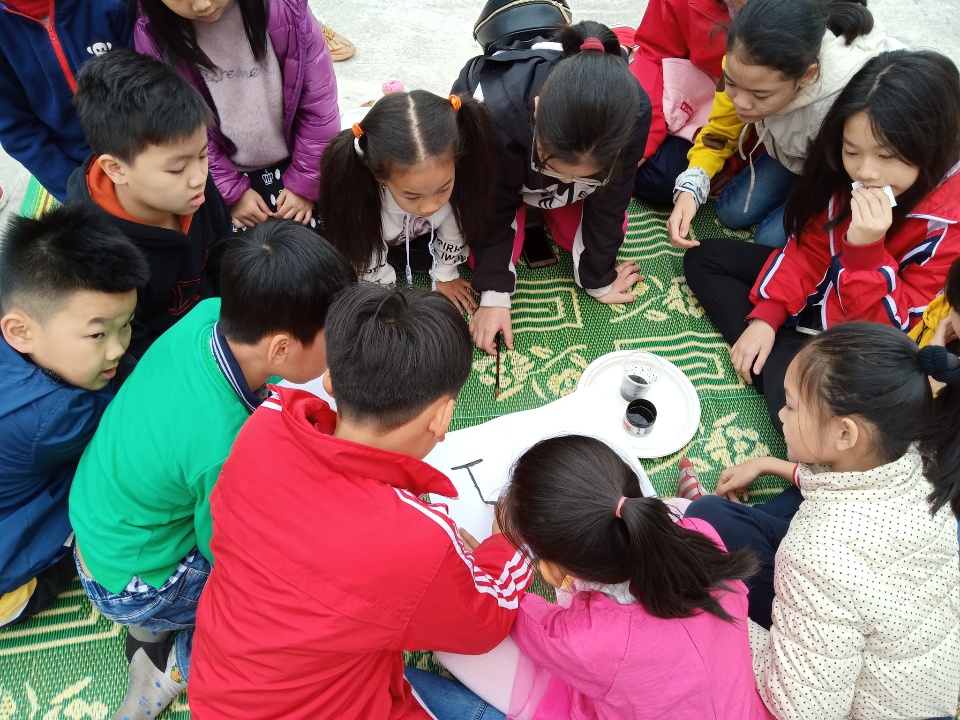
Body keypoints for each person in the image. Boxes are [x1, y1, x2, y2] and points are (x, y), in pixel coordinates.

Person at [187, 284, 534, 720]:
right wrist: (508, 546)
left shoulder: (264, 426)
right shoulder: (417, 539)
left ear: (330, 380)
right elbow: (485, 624)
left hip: (219, 689)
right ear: (442, 418)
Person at [69, 221, 355, 720]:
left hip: (103, 529)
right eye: (334, 340)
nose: (342, 349)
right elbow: (225, 548)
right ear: (281, 349)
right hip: (135, 583)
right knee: (293, 594)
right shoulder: (224, 445)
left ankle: (152, 626)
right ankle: (174, 664)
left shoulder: (210, 315)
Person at [681, 322, 960, 718]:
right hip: (893, 635)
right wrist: (768, 463)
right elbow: (839, 488)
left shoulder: (815, 552)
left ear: (845, 434)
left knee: (697, 591)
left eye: (792, 406)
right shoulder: (919, 458)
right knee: (707, 519)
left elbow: (804, 710)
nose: (781, 413)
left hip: (858, 699)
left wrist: (721, 614)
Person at [683, 50, 960, 429]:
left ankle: (791, 372)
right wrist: (767, 316)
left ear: (930, 147)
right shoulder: (851, 176)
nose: (866, 171)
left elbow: (897, 330)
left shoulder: (948, 227)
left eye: (887, 156)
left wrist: (866, 253)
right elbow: (811, 246)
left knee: (804, 426)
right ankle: (784, 360)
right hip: (821, 293)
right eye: (852, 151)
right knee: (704, 258)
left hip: (864, 341)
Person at [427, 435, 773, 720]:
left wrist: (497, 553)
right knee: (680, 508)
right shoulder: (700, 532)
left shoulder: (582, 638)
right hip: (743, 710)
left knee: (450, 647)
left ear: (550, 570)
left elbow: (512, 609)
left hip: (617, 679)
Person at [453, 20, 651, 355]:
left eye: (585, 175)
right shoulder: (494, 112)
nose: (564, 184)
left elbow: (614, 195)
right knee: (479, 260)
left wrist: (598, 280)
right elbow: (490, 201)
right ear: (536, 110)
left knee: (596, 241)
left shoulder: (635, 112)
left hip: (534, 169)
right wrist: (494, 295)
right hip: (499, 176)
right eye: (554, 168)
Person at [0, 204, 148, 628]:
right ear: (20, 331)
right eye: (97, 334)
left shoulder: (23, 314)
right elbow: (138, 418)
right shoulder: (54, 415)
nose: (117, 348)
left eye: (126, 324)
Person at [668, 0, 898, 249]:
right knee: (731, 212)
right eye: (732, 83)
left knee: (768, 240)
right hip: (795, 151)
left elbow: (870, 171)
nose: (741, 103)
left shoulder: (846, 105)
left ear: (807, 76)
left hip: (838, 174)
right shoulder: (745, 65)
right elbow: (721, 130)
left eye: (760, 95)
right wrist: (692, 186)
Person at [67, 48, 233, 360]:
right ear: (116, 169)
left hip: (222, 325)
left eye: (202, 155)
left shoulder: (192, 187)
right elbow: (130, 348)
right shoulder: (94, 256)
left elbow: (225, 249)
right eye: (176, 169)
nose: (198, 177)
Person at [134, 0, 339, 230]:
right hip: (221, 173)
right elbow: (180, 128)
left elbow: (319, 104)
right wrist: (231, 191)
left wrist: (304, 182)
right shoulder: (152, 33)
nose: (202, 5)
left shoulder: (285, 8)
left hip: (298, 160)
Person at [319, 90, 497, 314]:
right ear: (379, 176)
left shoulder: (463, 180)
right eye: (413, 196)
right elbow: (364, 252)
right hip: (370, 235)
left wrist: (445, 273)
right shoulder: (359, 200)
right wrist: (385, 294)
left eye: (443, 189)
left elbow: (457, 224)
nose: (430, 207)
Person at [0, 0, 130, 202]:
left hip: (144, 142)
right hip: (77, 168)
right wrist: (74, 192)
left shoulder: (112, 5)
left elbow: (152, 78)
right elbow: (16, 129)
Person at [631, 0, 743, 205]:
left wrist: (735, 164)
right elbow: (654, 52)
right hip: (688, 95)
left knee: (662, 183)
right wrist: (643, 136)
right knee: (629, 159)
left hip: (746, 122)